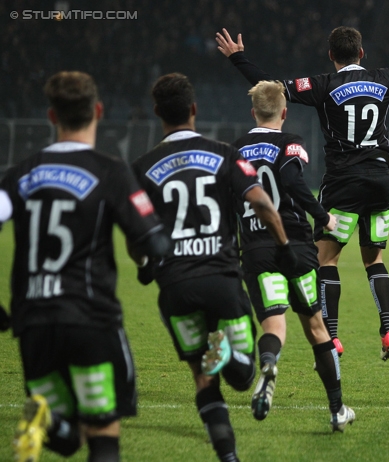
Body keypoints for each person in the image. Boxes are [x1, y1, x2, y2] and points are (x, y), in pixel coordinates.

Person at [216, 0, 389, 360]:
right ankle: (388, 329)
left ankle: (333, 337)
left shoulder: (322, 85)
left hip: (343, 182)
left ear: (330, 54)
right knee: (374, 260)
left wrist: (237, 57)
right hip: (381, 180)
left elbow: (273, 90)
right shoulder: (384, 78)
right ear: (362, 52)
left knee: (327, 261)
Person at [0, 71, 171, 462]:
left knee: (67, 435)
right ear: (98, 110)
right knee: (102, 433)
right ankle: (49, 422)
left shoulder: (20, 174)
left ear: (50, 116)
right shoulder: (109, 171)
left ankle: (47, 422)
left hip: (33, 322)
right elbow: (153, 240)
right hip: (90, 318)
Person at [130, 73, 296, 461]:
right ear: (194, 109)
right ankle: (230, 356)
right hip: (222, 279)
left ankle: (228, 457)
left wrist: (143, 265)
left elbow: (136, 236)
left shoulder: (141, 168)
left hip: (175, 286)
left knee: (203, 380)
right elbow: (262, 204)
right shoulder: (225, 154)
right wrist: (284, 247)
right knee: (244, 378)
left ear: (158, 113)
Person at [233, 80, 355, 431]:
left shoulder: (236, 150)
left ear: (252, 111)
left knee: (273, 323)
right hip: (297, 247)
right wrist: (323, 216)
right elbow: (289, 177)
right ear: (284, 112)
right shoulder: (290, 143)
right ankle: (336, 410)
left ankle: (269, 362)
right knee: (317, 328)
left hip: (256, 248)